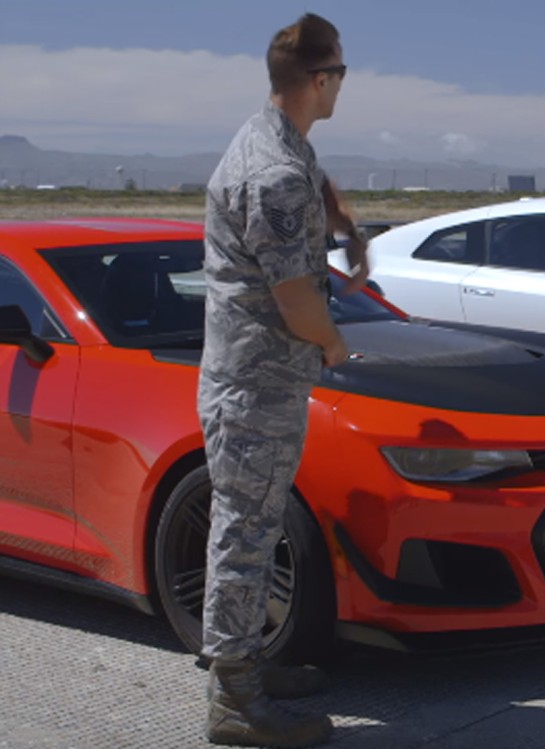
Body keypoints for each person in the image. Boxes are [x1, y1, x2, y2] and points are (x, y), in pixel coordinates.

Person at [198, 12, 369, 747]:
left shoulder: (279, 143)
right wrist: (334, 344)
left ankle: (249, 667)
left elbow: (310, 179)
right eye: (343, 74)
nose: (343, 86)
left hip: (260, 382)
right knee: (244, 536)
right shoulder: (271, 170)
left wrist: (344, 219)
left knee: (254, 530)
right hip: (256, 387)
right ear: (321, 79)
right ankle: (235, 700)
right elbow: (296, 298)